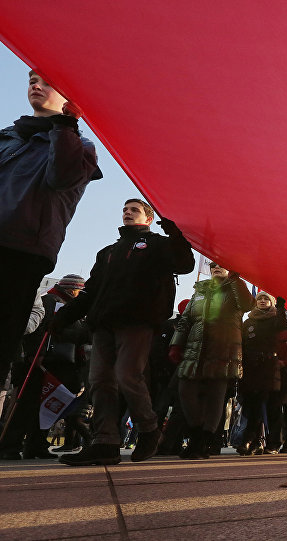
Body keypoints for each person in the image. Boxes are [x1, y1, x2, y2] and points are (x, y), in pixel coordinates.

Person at [56, 199, 194, 466]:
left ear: (149, 218)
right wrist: (64, 316)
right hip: (103, 324)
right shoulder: (108, 251)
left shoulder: (156, 244)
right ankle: (105, 441)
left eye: (134, 210)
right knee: (99, 381)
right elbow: (92, 290)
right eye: (124, 209)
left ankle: (149, 429)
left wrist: (175, 235)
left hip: (137, 321)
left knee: (127, 375)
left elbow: (184, 264)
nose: (127, 213)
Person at [0, 71, 101, 385]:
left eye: (46, 80)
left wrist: (65, 125)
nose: (35, 84)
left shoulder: (79, 146)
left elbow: (62, 178)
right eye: (31, 78)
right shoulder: (6, 136)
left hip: (20, 253)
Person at [168, 261, 252, 459]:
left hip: (223, 349)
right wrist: (176, 344)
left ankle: (203, 441)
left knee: (215, 397)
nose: (216, 267)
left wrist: (235, 279)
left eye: (221, 264)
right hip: (195, 348)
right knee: (186, 391)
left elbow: (248, 304)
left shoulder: (235, 289)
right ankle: (197, 434)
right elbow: (186, 319)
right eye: (213, 264)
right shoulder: (200, 291)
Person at [0, 274, 89, 460]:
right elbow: (40, 329)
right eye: (79, 291)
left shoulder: (71, 308)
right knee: (26, 405)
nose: (80, 294)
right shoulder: (50, 301)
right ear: (71, 289)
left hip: (57, 364)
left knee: (47, 408)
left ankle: (36, 445)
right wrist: (35, 353)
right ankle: (10, 444)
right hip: (39, 362)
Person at [238, 292, 287, 455]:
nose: (262, 301)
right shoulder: (248, 322)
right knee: (252, 405)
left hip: (269, 366)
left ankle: (274, 442)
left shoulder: (276, 319)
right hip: (251, 367)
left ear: (272, 302)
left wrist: (281, 308)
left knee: (273, 405)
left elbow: (282, 327)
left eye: (266, 298)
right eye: (259, 298)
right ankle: (251, 440)